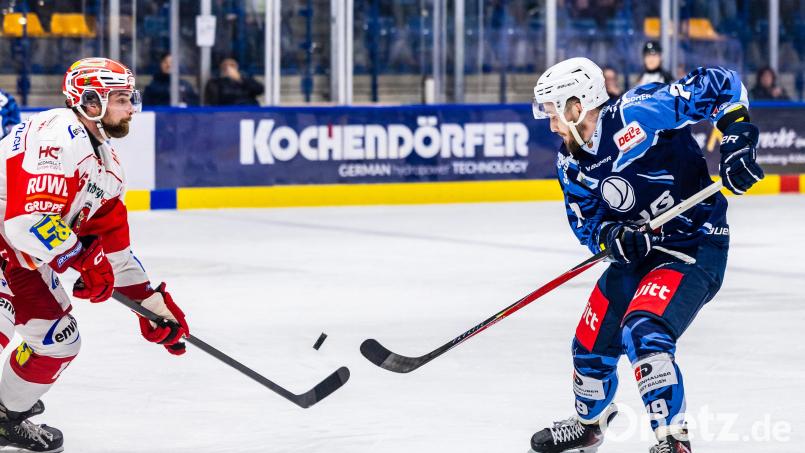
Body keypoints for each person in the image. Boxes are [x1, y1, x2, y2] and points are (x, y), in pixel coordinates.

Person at [529, 58, 763, 453]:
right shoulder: (569, 163)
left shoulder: (638, 112)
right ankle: (590, 425)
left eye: (554, 112)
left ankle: (673, 442)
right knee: (590, 342)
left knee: (644, 331)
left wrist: (738, 137)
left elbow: (721, 83)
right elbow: (587, 222)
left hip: (693, 244)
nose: (551, 124)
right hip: (641, 255)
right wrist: (612, 236)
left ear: (576, 105)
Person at [0, 58, 190, 452]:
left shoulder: (108, 168)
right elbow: (26, 221)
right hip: (11, 239)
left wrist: (152, 304)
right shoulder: (56, 136)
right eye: (121, 99)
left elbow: (114, 253)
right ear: (89, 103)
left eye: (129, 98)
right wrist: (79, 257)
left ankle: (4, 417)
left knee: (57, 341)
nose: (131, 108)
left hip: (19, 256)